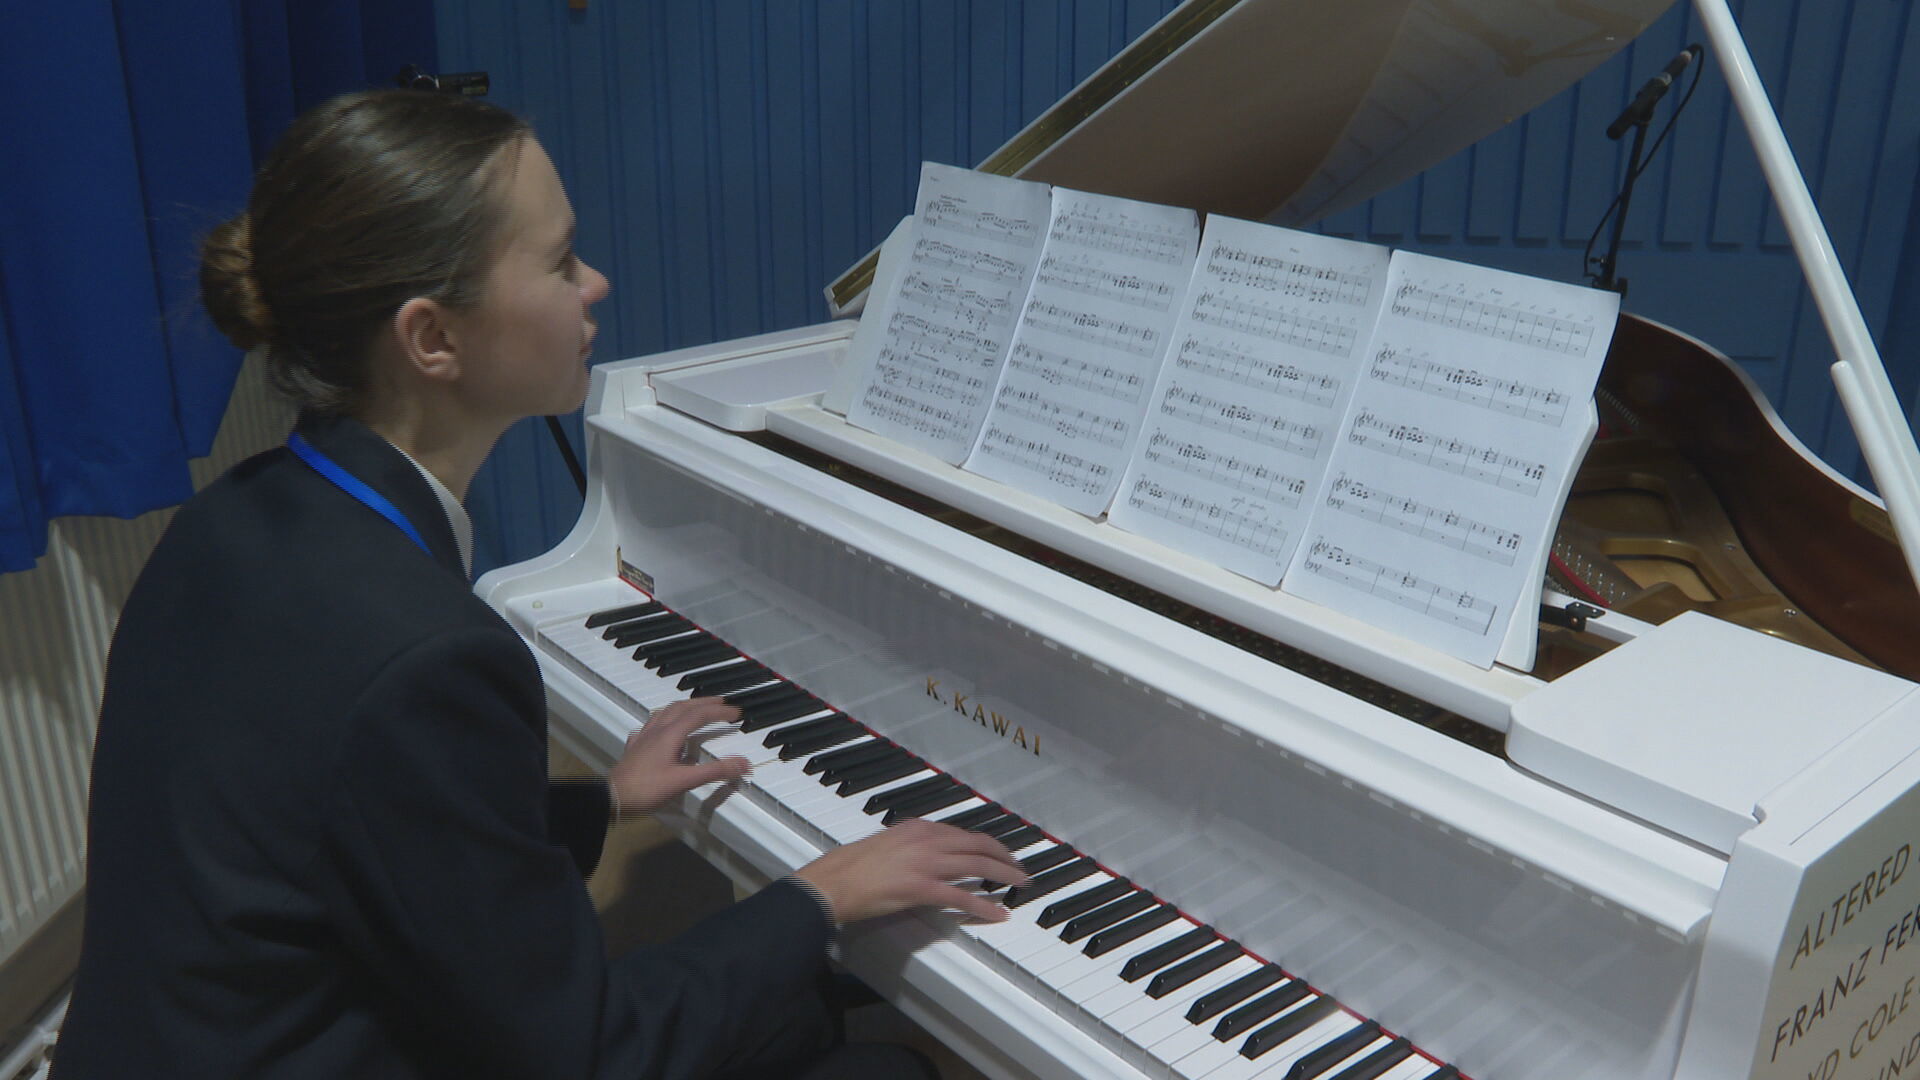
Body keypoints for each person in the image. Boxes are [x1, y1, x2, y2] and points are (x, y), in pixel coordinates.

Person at [52, 89, 1025, 1080]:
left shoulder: (237, 519)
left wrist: (598, 800)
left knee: (788, 1015)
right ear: (433, 339)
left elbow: (362, 821)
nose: (594, 283)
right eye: (560, 261)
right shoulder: (427, 650)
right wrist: (822, 894)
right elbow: (586, 1052)